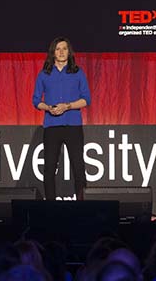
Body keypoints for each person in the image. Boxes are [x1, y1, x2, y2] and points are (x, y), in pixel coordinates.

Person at [32, 37, 91, 201]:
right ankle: (51, 205)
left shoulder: (77, 72)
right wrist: (48, 108)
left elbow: (86, 99)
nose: (61, 52)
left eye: (64, 48)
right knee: (49, 168)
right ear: (53, 53)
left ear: (69, 52)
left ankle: (82, 205)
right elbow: (36, 101)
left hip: (73, 125)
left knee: (78, 167)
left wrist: (68, 106)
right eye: (58, 49)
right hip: (52, 126)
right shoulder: (44, 74)